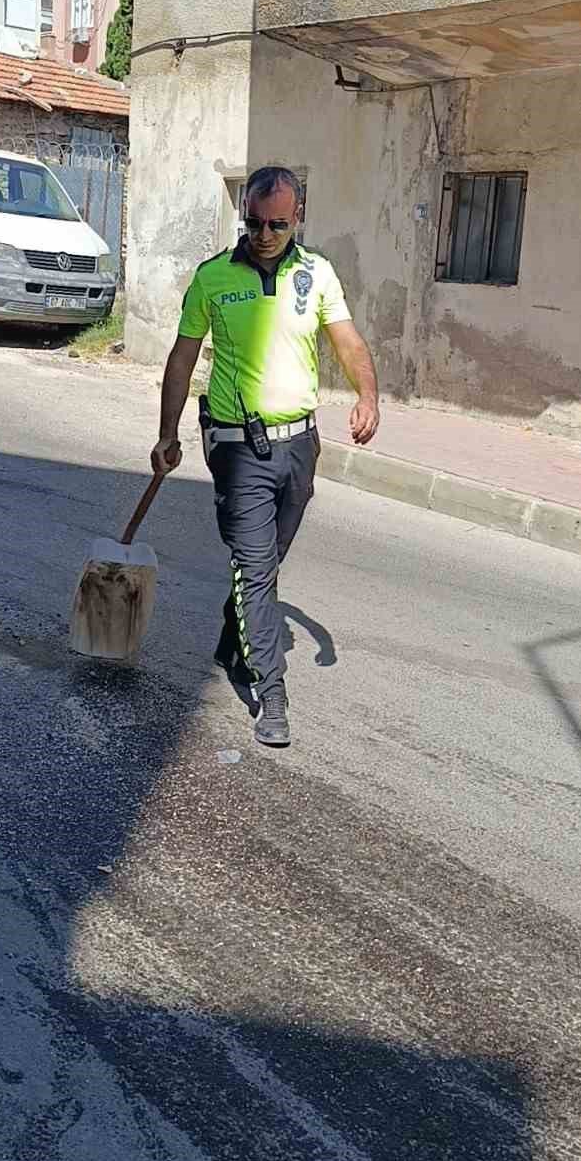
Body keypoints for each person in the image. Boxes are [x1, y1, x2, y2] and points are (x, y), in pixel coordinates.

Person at [151, 165, 379, 748]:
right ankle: (271, 693)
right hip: (237, 447)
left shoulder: (316, 274)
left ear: (297, 217)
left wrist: (368, 396)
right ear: (245, 216)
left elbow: (347, 340)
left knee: (266, 565)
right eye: (254, 223)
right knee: (255, 568)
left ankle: (234, 635)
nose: (265, 234)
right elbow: (182, 357)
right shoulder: (213, 277)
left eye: (278, 224)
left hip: (300, 446)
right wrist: (167, 433)